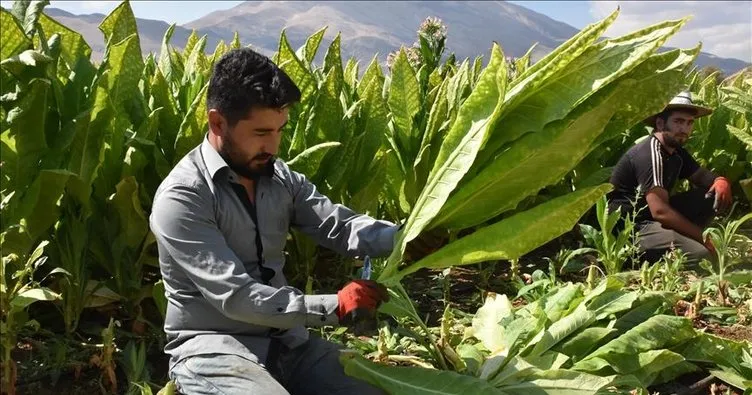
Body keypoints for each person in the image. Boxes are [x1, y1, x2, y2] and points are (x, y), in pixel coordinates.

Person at [149, 47, 395, 395]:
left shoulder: (278, 177)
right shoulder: (183, 197)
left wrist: (406, 238)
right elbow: (236, 297)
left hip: (290, 346)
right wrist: (335, 305)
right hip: (214, 349)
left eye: (280, 130)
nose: (274, 145)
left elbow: (337, 225)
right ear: (217, 122)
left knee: (379, 390)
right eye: (261, 132)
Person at [607, 90, 733, 265]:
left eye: (689, 123)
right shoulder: (650, 153)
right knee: (701, 256)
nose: (684, 129)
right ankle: (634, 256)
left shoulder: (675, 150)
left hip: (652, 216)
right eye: (678, 121)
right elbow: (661, 212)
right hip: (631, 226)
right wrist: (704, 238)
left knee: (711, 195)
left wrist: (721, 181)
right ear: (660, 123)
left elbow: (701, 175)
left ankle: (680, 241)